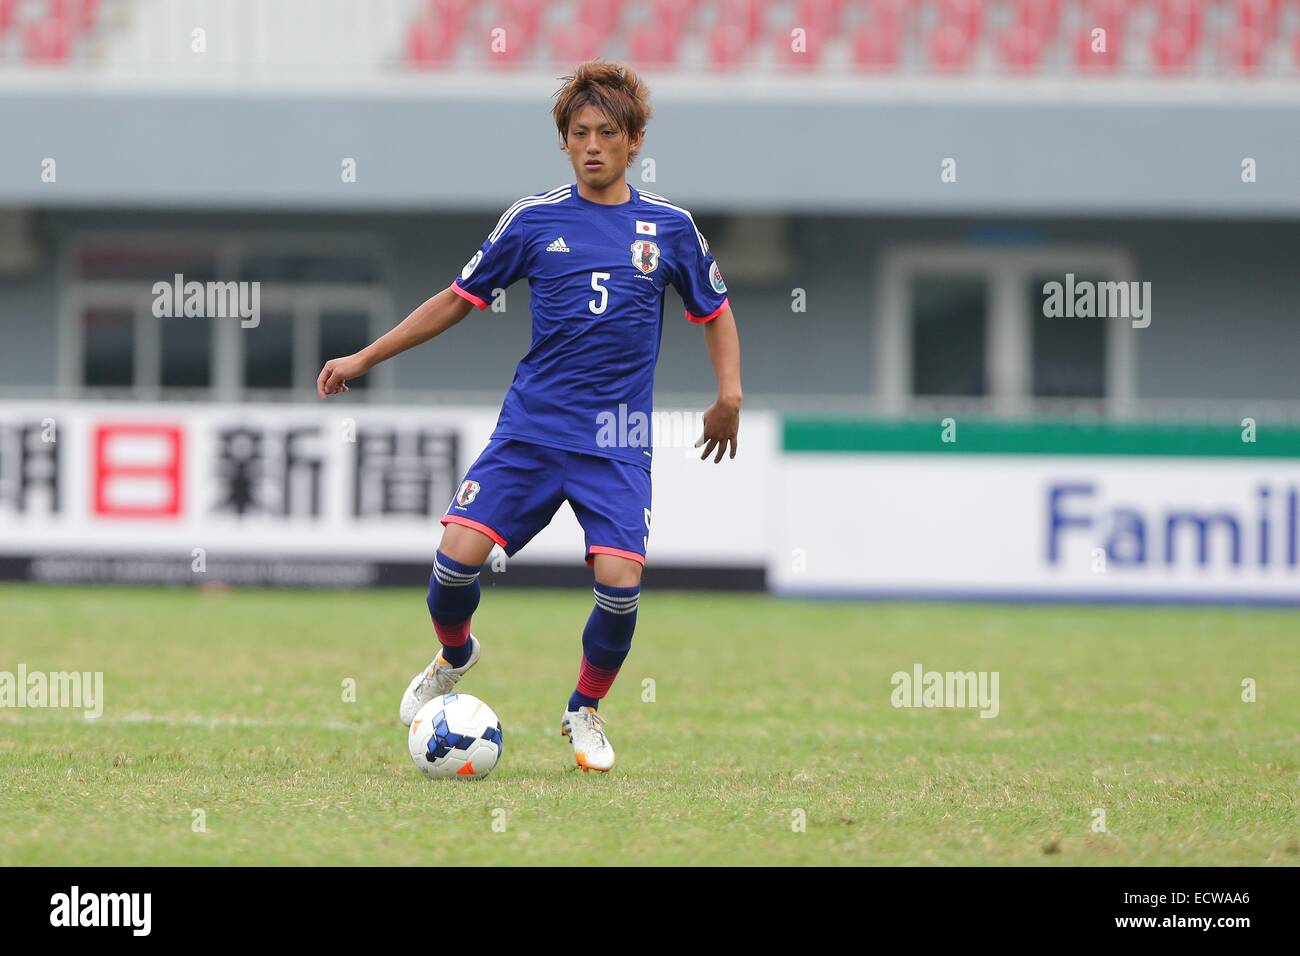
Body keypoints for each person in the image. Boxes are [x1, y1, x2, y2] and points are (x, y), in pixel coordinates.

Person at [318, 60, 743, 773]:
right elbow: (456, 299)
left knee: (620, 582)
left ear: (635, 141)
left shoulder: (669, 228)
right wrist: (366, 357)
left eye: (608, 132)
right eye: (579, 133)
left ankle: (584, 710)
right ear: (565, 141)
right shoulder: (534, 220)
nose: (593, 145)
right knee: (454, 563)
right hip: (532, 429)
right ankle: (455, 656)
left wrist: (729, 396)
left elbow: (716, 312)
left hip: (616, 440)